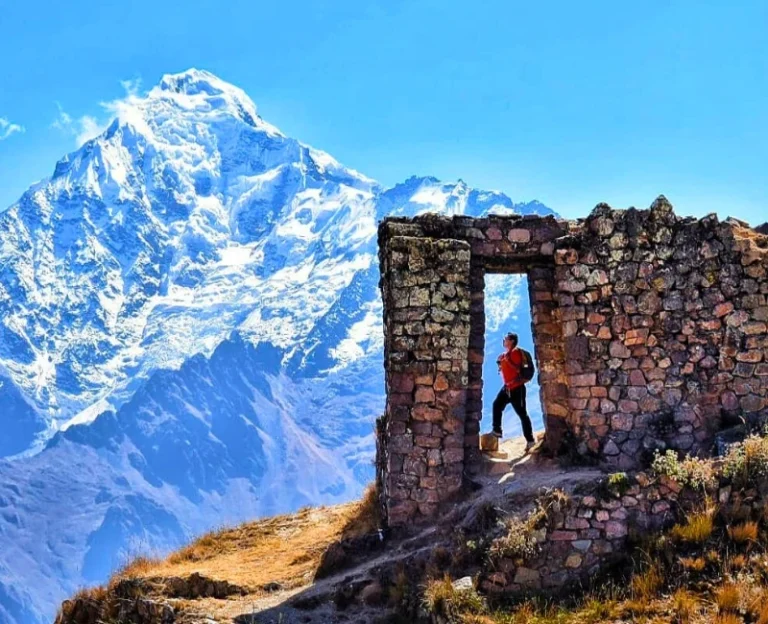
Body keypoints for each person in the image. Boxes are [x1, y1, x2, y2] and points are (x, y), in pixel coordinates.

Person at [493, 332, 535, 450]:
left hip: (517, 388)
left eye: (506, 338)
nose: (504, 340)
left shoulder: (516, 353)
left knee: (522, 414)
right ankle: (497, 430)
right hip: (507, 388)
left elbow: (517, 369)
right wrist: (501, 362)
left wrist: (506, 360)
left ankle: (530, 440)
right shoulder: (504, 355)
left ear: (511, 341)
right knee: (497, 405)